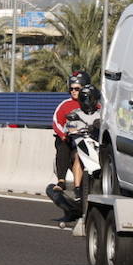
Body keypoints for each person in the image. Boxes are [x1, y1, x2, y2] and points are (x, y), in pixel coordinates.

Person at [49, 72, 90, 224]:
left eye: (77, 88)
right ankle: (61, 180)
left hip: (86, 143)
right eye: (71, 88)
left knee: (81, 155)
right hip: (69, 142)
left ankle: (80, 188)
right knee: (62, 145)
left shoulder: (93, 103)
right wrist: (64, 134)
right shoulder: (65, 105)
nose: (73, 91)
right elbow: (56, 122)